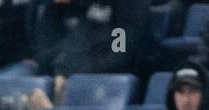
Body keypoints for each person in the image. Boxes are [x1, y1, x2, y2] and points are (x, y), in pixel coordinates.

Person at [27, 0, 155, 86]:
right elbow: (48, 50)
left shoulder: (129, 5)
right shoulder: (60, 7)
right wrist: (59, 69)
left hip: (117, 81)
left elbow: (120, 52)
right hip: (67, 74)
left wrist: (70, 74)